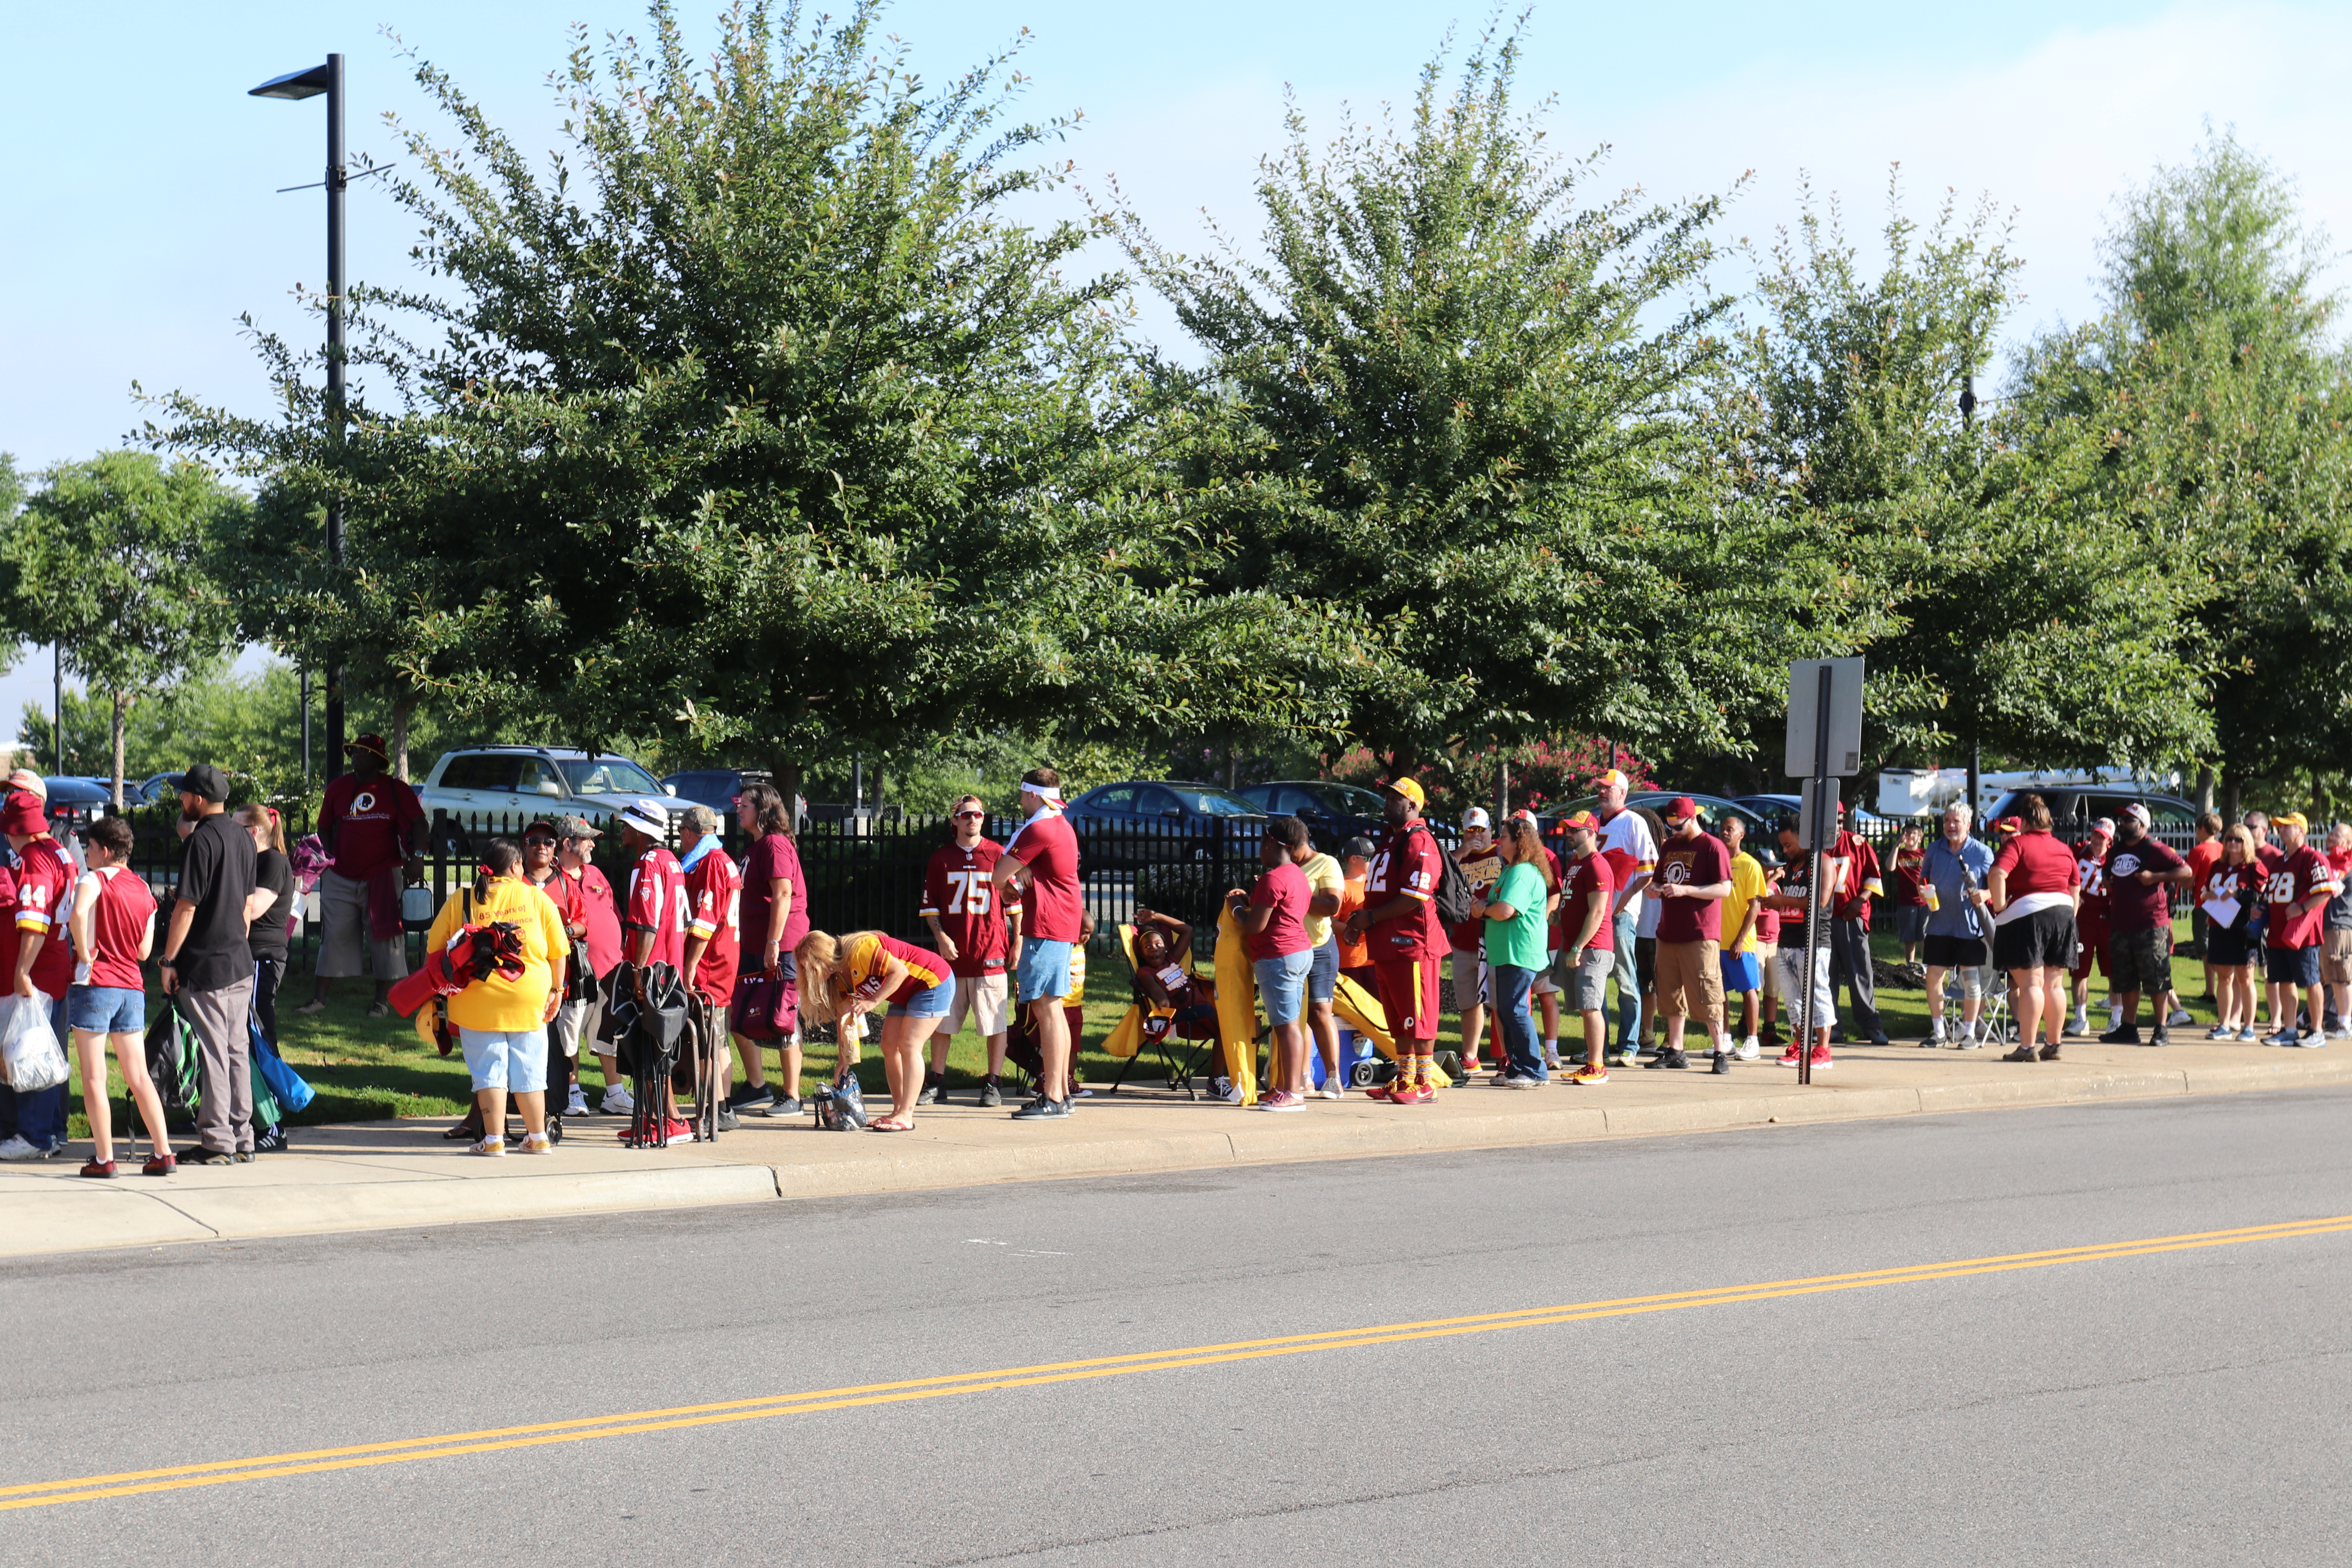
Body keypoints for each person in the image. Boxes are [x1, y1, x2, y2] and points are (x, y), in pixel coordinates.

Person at [425, 837, 570, 1154]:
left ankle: (493, 1142)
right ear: (517, 865)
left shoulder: (463, 899)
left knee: (489, 1070)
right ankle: (538, 1137)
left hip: (477, 1000)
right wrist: (557, 990)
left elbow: (434, 948)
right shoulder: (536, 897)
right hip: (529, 999)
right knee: (530, 1068)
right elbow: (560, 952)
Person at [160, 764, 259, 1165]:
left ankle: (217, 1140)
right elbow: (248, 907)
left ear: (198, 798)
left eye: (184, 794)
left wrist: (168, 960)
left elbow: (186, 907)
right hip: (239, 960)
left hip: (207, 963)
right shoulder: (244, 838)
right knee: (236, 1048)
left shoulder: (200, 842)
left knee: (214, 1050)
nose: (181, 800)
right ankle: (243, 1134)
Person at [65, 814, 171, 1177]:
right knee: (138, 1075)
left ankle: (104, 1158)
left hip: (95, 983)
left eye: (90, 847)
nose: (87, 853)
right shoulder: (143, 889)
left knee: (95, 1077)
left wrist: (83, 950)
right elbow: (144, 951)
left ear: (105, 850)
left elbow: (78, 915)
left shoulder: (92, 880)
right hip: (132, 989)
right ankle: (163, 1152)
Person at [298, 733, 424, 1018]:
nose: (356, 756)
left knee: (384, 937)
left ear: (378, 760)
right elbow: (325, 827)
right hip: (341, 875)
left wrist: (417, 857)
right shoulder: (338, 789)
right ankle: (319, 999)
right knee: (333, 935)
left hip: (382, 874)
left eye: (363, 752)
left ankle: (381, 1002)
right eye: (354, 751)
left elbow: (419, 823)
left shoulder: (396, 790)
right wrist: (329, 860)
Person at [1344, 777, 1448, 1103]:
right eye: (1387, 796)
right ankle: (1404, 1078)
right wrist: (1361, 922)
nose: (1388, 802)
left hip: (1413, 942)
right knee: (1397, 1015)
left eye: (1396, 798)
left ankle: (1424, 1081)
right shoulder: (1391, 840)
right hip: (1387, 943)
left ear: (1413, 805)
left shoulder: (1419, 841)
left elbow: (1414, 897)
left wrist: (1370, 919)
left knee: (1418, 1013)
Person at [916, 795, 1022, 1108]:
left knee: (996, 1023)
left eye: (977, 814)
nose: (972, 819)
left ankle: (993, 1083)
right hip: (952, 955)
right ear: (955, 821)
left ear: (983, 819)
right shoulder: (941, 859)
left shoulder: (997, 854)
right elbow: (930, 905)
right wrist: (941, 936)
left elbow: (1014, 904)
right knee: (942, 1022)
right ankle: (937, 1081)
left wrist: (1018, 941)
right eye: (965, 815)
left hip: (991, 952)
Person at [992, 766, 1083, 1120]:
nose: (1020, 801)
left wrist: (1014, 873)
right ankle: (1060, 1093)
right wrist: (1022, 873)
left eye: (1021, 794)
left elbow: (998, 874)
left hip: (1045, 925)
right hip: (1061, 923)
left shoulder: (1040, 827)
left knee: (1045, 1010)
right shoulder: (1062, 824)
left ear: (1032, 795)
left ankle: (1053, 1098)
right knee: (1054, 1009)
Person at [795, 928, 953, 1131]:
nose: (811, 974)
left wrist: (873, 1001)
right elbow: (845, 1018)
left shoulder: (860, 950)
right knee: (889, 1046)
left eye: (811, 967)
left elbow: (901, 971)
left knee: (909, 1045)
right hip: (905, 992)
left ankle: (906, 1115)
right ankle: (898, 1110)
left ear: (823, 957)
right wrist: (843, 1060)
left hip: (931, 981)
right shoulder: (838, 977)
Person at [0, 787, 75, 1161]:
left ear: (19, 829)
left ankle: (34, 1135)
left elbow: (34, 920)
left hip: (38, 971)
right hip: (56, 963)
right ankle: (51, 1131)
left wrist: (21, 971)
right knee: (47, 1052)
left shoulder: (36, 858)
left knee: (28, 1055)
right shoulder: (60, 852)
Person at [727, 782, 811, 1118]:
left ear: (762, 810)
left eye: (743, 803)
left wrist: (773, 944)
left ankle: (792, 1096)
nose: (738, 808)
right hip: (753, 944)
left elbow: (783, 895)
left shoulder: (775, 845)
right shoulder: (753, 849)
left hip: (782, 946)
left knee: (784, 1016)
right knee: (738, 1013)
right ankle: (757, 1086)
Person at [1229, 816, 1314, 1110]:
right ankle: (1283, 1087)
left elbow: (1255, 926)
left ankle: (1292, 1092)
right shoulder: (1297, 875)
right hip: (1300, 952)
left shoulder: (1273, 878)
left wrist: (1237, 908)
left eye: (1261, 843)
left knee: (1287, 1027)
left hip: (1279, 956)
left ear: (1270, 843)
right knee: (1288, 1024)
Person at [1643, 798, 1734, 1072]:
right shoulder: (1669, 847)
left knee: (1707, 991)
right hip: (1669, 932)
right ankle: (1676, 1049)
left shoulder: (1712, 847)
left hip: (1700, 933)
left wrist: (1686, 890)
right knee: (1670, 993)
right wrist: (1654, 888)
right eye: (1670, 827)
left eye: (1679, 827)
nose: (1674, 833)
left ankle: (1720, 1051)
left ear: (1693, 819)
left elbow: (1724, 889)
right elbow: (1659, 879)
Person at [1988, 797, 2081, 1063]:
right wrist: (2071, 917)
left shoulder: (2018, 843)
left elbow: (1997, 874)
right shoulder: (2064, 849)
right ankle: (2054, 1044)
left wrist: (2000, 904)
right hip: (2063, 914)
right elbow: (2075, 886)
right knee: (2054, 984)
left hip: (2027, 915)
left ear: (2026, 822)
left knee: (2031, 983)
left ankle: (2028, 1047)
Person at [2099, 803, 2191, 1046]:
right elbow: (2108, 875)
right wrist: (2108, 882)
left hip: (2151, 924)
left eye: (2129, 820)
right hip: (2121, 924)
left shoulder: (2154, 848)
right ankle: (2129, 1028)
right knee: (2125, 979)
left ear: (2142, 825)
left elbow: (2186, 871)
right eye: (2122, 820)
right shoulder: (2115, 849)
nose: (2123, 824)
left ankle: (2161, 1029)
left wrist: (2155, 878)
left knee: (2157, 978)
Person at [553, 817, 625, 1116]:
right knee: (570, 1033)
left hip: (610, 968)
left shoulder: (594, 873)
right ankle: (571, 1093)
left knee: (607, 1034)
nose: (593, 843)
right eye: (586, 839)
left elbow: (613, 912)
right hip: (576, 973)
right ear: (568, 843)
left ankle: (615, 1094)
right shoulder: (552, 880)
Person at [675, 804, 742, 1128]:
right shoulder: (723, 859)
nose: (681, 842)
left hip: (711, 963)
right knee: (718, 1037)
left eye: (681, 835)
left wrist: (690, 967)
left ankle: (714, 1111)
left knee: (706, 1042)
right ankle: (724, 1109)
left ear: (690, 833)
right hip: (724, 959)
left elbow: (705, 921)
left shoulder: (712, 863)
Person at [1476, 816, 1553, 1085]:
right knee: (1508, 1010)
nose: (1499, 841)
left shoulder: (1522, 872)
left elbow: (1506, 910)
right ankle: (1517, 1068)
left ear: (1519, 842)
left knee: (1515, 1010)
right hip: (1509, 952)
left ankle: (1535, 1070)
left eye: (1504, 837)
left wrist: (1483, 910)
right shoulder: (1512, 870)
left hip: (1520, 951)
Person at [1763, 820, 1844, 1069]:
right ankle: (1801, 1045)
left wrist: (1780, 899)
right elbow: (1791, 899)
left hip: (1813, 942)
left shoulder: (1824, 863)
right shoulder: (1791, 866)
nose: (1785, 850)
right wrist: (1772, 901)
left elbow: (1820, 900)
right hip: (1787, 940)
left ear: (1805, 837)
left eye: (1788, 845)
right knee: (1793, 999)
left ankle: (1823, 1050)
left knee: (1817, 994)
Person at [1591, 769, 1657, 1067]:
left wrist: (1626, 899)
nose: (1603, 792)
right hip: (1596, 914)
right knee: (1596, 980)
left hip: (1620, 915)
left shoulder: (1633, 822)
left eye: (1609, 788)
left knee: (1625, 976)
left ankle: (1630, 1044)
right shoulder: (1592, 823)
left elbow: (1649, 869)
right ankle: (1599, 1048)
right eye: (1600, 787)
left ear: (1623, 793)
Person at [2258, 811, 2337, 1047]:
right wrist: (2260, 908)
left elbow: (2325, 891)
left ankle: (2317, 1031)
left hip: (2302, 933)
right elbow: (2271, 892)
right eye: (2280, 827)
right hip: (2277, 932)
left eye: (2287, 827)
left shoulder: (2313, 858)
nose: (2281, 830)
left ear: (2301, 830)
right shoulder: (2279, 860)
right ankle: (2290, 1029)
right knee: (2283, 980)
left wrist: (2302, 908)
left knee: (2311, 981)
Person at [1919, 803, 1995, 1048]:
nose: (1951, 826)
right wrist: (1923, 892)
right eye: (1948, 821)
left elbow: (1999, 886)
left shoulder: (1983, 853)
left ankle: (1969, 1033)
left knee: (1971, 981)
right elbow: (1923, 880)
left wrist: (1985, 894)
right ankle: (1939, 1032)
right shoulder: (1934, 848)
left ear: (1968, 825)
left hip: (1970, 927)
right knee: (1933, 977)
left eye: (1956, 821)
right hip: (1939, 925)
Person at [1553, 811, 1616, 1084]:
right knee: (1585, 1007)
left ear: (1590, 832)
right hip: (1577, 946)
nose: (1569, 834)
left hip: (1593, 948)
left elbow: (1598, 911)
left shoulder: (1597, 865)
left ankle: (1597, 1067)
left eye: (1574, 830)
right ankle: (1592, 1062)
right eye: (1568, 830)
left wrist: (1578, 947)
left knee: (1592, 1007)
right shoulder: (1576, 863)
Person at [1289, 822, 1348, 1098]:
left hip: (1320, 947)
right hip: (1290, 947)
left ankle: (1334, 1077)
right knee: (1293, 1015)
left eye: (1290, 850)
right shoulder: (1284, 867)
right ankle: (1302, 1077)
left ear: (1295, 844)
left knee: (1319, 1013)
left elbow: (1332, 906)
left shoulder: (1326, 863)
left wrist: (1293, 895)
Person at [1446, 809, 1502, 1073]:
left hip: (1494, 940)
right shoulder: (1457, 858)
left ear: (1491, 830)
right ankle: (1470, 1057)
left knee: (1501, 1003)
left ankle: (1506, 1055)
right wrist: (1461, 854)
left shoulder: (1502, 854)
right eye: (1471, 830)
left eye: (1481, 830)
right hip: (1464, 940)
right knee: (1469, 1002)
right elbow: (1440, 879)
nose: (1477, 835)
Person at [1827, 802, 1887, 1047]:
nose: (1838, 826)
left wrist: (1860, 901)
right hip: (1823, 921)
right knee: (1826, 977)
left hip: (1851, 918)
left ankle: (1871, 1026)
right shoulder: (1813, 846)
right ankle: (1831, 1027)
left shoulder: (1858, 844)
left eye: (1841, 821)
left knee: (1860, 973)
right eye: (1834, 822)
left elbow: (1874, 876)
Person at [238, 805, 296, 1057]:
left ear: (253, 832)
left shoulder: (274, 862)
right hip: (246, 951)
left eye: (235, 827)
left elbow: (254, 909)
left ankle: (274, 1086)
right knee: (244, 1020)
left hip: (263, 954)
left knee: (257, 1018)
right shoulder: (247, 860)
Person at [2199, 825, 2263, 1041]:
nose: (2233, 843)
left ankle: (2249, 1027)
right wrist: (2206, 896)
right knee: (2224, 977)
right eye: (2229, 839)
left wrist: (2237, 893)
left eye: (2238, 839)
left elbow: (2262, 894)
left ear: (2246, 842)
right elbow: (2205, 889)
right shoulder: (2217, 865)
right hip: (2219, 925)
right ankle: (2224, 1024)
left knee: (2246, 978)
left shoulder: (2254, 867)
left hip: (2243, 929)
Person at [1717, 815, 1768, 1060]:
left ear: (1741, 835)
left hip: (1741, 943)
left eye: (1730, 829)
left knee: (1749, 990)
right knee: (1719, 992)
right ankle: (1725, 1038)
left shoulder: (1750, 865)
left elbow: (1755, 907)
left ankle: (1753, 1039)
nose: (1725, 833)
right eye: (1722, 829)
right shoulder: (1716, 862)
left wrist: (1739, 940)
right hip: (1717, 941)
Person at [2069, 818, 2116, 1038]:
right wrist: (2074, 897)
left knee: (2113, 972)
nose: (2098, 840)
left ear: (2110, 840)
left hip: (2108, 919)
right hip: (2084, 919)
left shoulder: (2115, 859)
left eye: (2103, 837)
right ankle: (2080, 1018)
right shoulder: (2077, 852)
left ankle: (2116, 1019)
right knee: (2079, 970)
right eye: (2096, 835)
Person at [2186, 811, 2226, 1000]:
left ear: (2202, 829)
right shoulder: (2223, 848)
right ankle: (2218, 989)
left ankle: (2211, 991)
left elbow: (2188, 881)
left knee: (2205, 949)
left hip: (2204, 904)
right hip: (2223, 904)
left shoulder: (2198, 851)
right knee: (2218, 947)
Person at [1335, 837, 1376, 996]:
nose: (1372, 862)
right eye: (1368, 858)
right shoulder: (1341, 887)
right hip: (1350, 962)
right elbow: (1332, 922)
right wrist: (1356, 929)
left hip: (1373, 959)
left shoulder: (1373, 883)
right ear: (1354, 859)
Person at [2322, 822, 2352, 1041]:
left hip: (2340, 926)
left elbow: (2335, 889)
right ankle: (2335, 1018)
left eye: (2337, 835)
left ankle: (2345, 1024)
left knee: (2341, 978)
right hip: (2326, 926)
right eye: (2330, 834)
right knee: (2331, 977)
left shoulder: (2346, 863)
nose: (2331, 837)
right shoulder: (2328, 861)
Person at [1889, 822, 1931, 974]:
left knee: (1925, 935)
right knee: (1909, 936)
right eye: (1907, 833)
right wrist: (1897, 846)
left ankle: (1927, 967)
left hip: (1925, 901)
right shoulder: (1899, 854)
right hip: (1906, 901)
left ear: (1920, 838)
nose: (1910, 836)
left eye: (1914, 834)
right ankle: (1911, 966)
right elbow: (1890, 867)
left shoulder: (1925, 854)